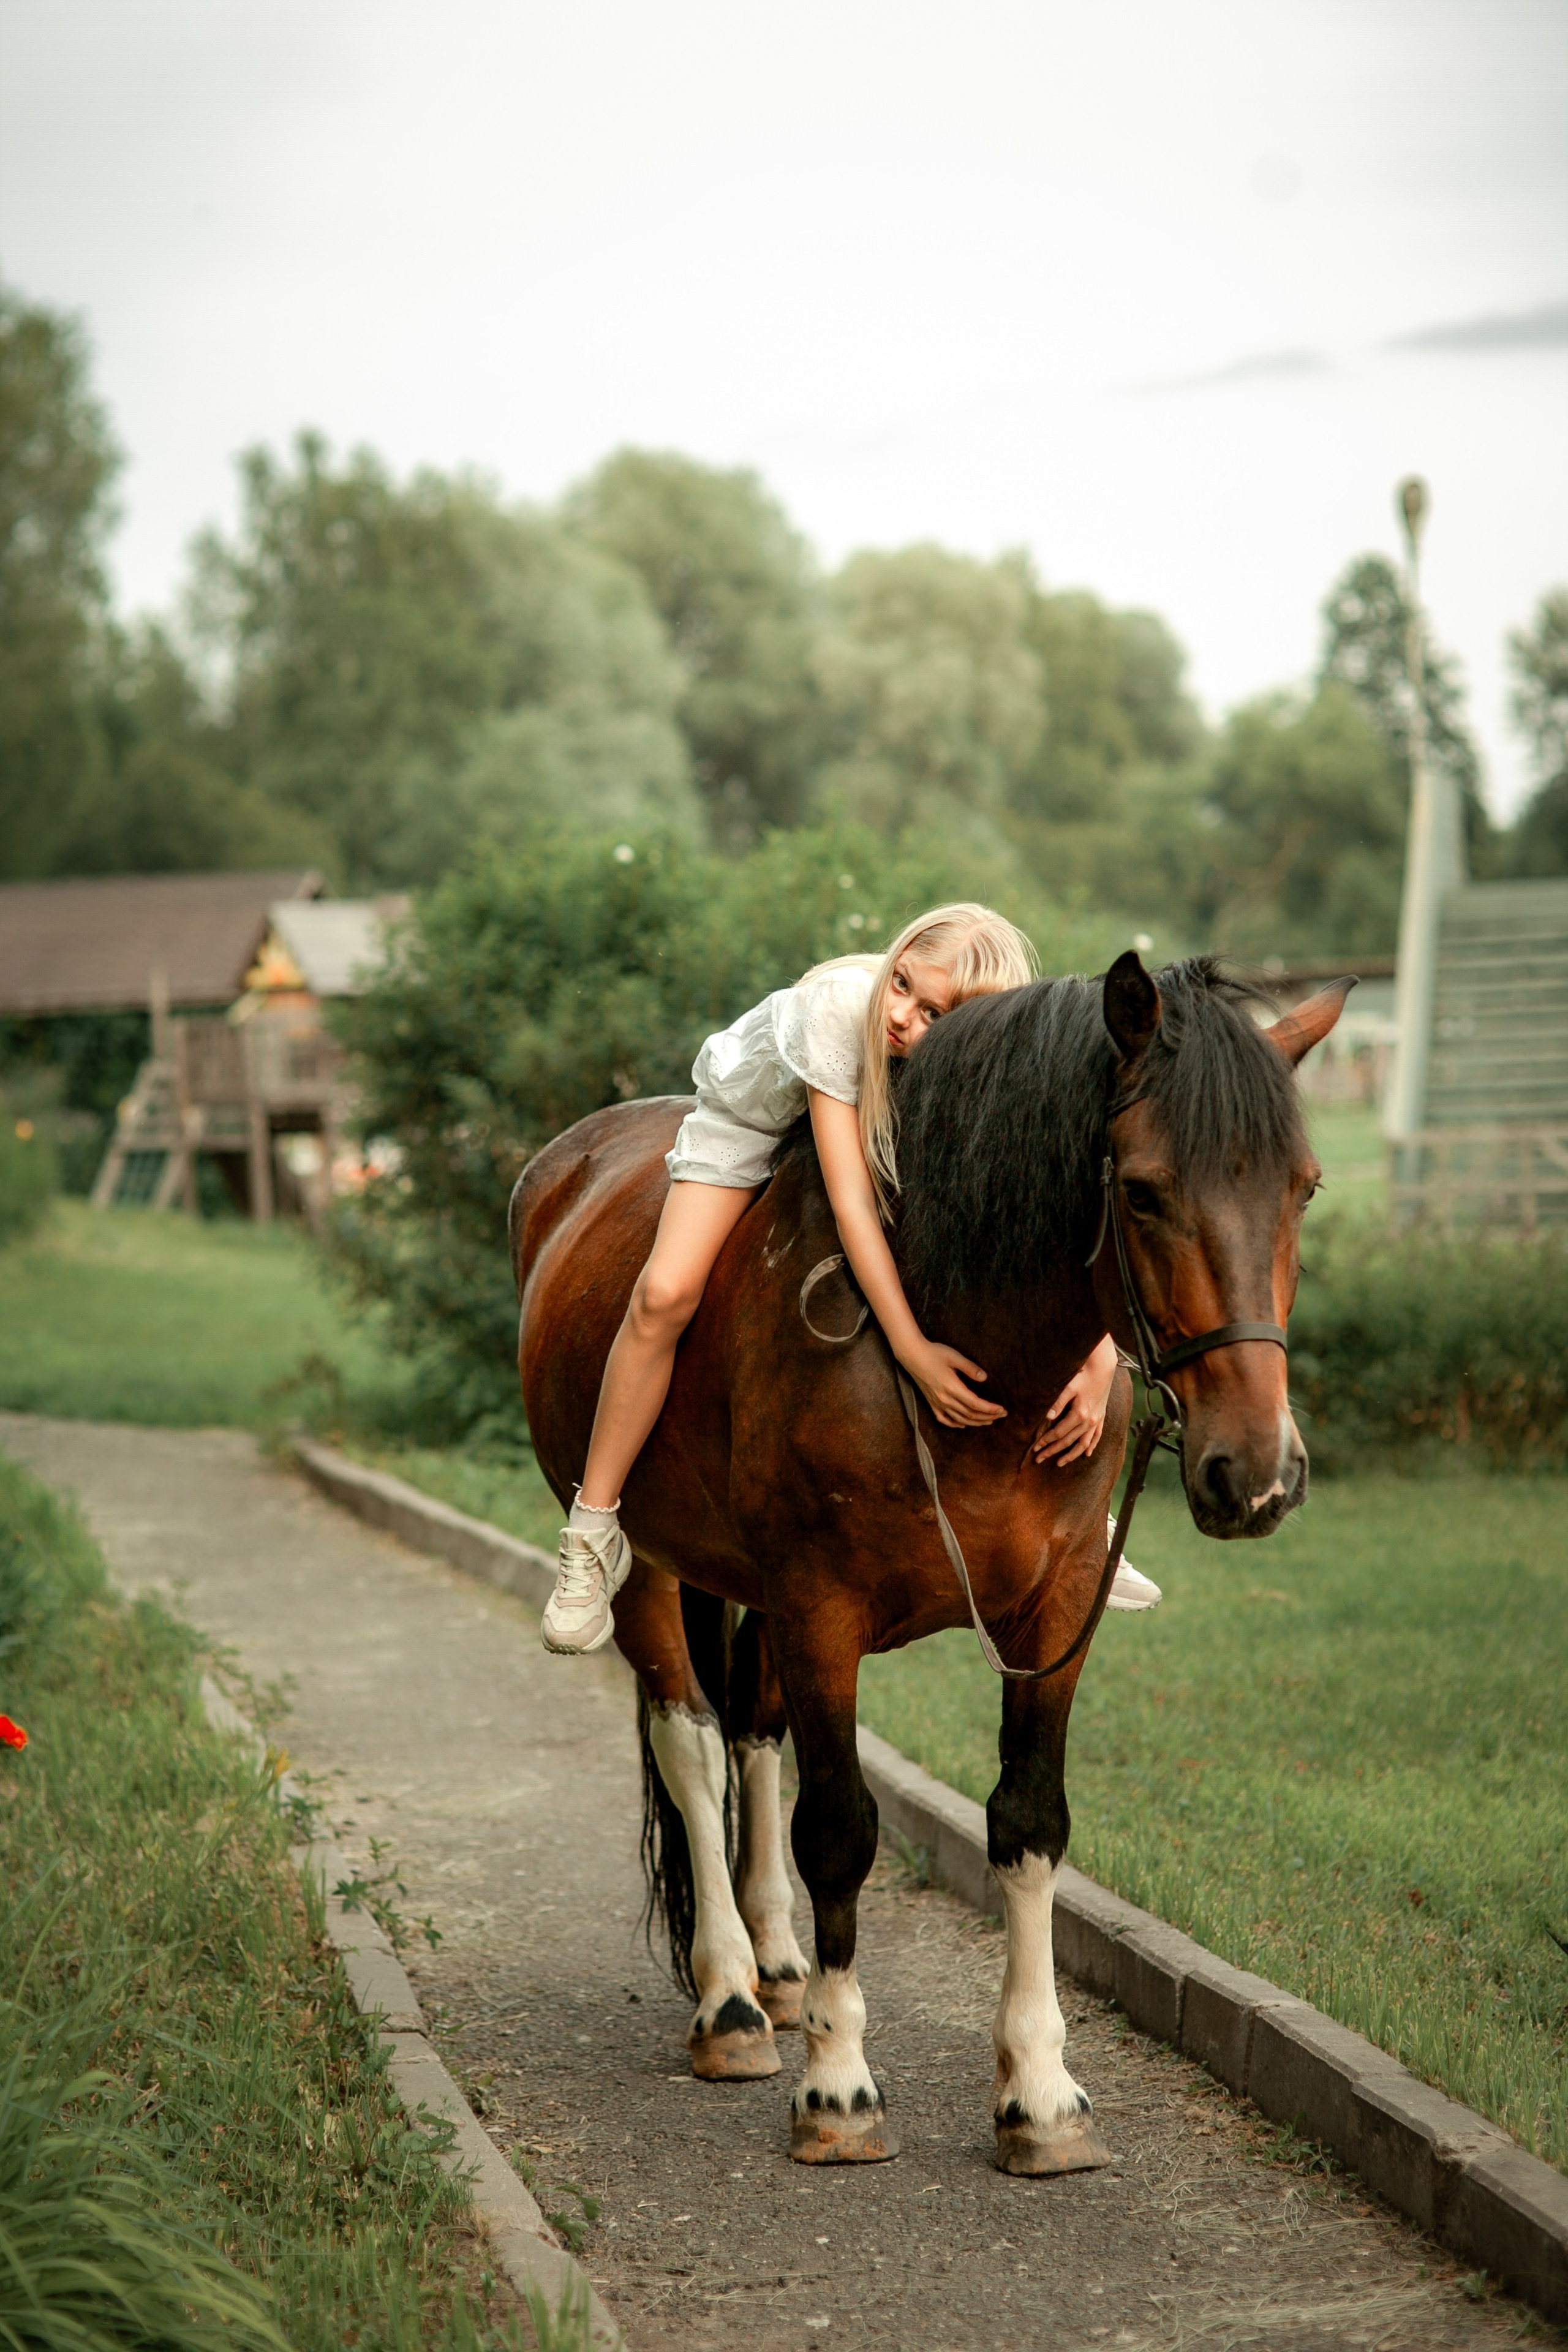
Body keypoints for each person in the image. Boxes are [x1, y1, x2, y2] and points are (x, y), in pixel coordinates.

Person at [541, 902, 1160, 1654]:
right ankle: (594, 1526)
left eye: (932, 1012)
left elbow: (1034, 1226)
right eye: (901, 983)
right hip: (759, 1118)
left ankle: (1075, 1521)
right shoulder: (844, 1011)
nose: (901, 1016)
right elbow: (850, 1201)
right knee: (662, 1294)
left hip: (894, 1116)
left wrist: (1100, 1360)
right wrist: (910, 1349)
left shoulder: (988, 1060)